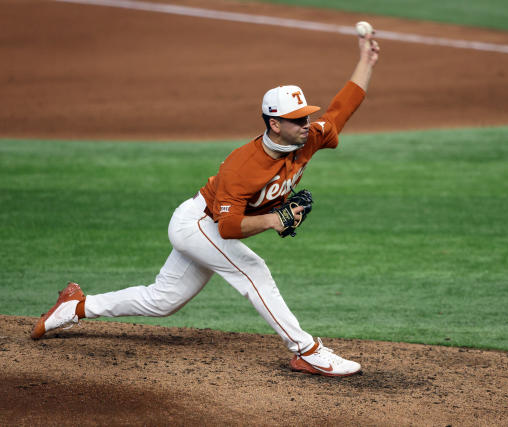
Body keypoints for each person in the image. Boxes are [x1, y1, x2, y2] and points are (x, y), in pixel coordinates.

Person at [31, 31, 380, 377]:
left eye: (306, 116)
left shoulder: (309, 138)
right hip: (198, 223)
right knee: (254, 270)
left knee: (162, 301)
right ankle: (306, 351)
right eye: (297, 119)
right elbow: (228, 228)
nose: (307, 124)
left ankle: (75, 306)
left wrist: (365, 60)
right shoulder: (242, 165)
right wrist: (275, 219)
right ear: (275, 124)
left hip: (210, 228)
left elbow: (342, 108)